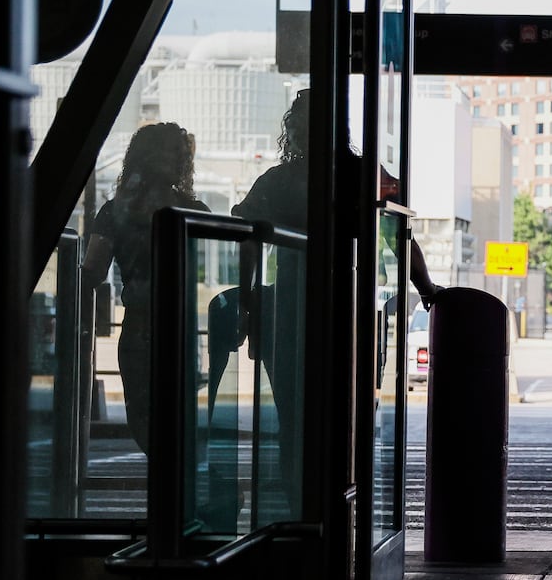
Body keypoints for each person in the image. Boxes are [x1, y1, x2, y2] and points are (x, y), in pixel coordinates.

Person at [229, 88, 440, 518]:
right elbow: (400, 237)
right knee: (354, 411)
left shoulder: (278, 181)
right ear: (341, 126)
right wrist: (427, 288)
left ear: (295, 129)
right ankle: (346, 507)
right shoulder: (364, 172)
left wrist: (249, 302)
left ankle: (300, 506)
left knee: (293, 415)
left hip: (290, 308)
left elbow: (247, 243)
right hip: (355, 312)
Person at [81, 121, 209, 455]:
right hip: (179, 326)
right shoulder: (195, 212)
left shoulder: (116, 211)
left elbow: (92, 272)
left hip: (137, 324)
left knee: (143, 419)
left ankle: (166, 490)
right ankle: (181, 493)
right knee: (178, 418)